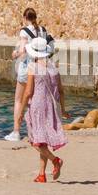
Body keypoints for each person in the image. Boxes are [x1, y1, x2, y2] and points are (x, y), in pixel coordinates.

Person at [23, 34, 68, 182]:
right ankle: (41, 175)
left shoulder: (33, 67)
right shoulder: (53, 68)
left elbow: (28, 91)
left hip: (37, 106)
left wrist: (21, 107)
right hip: (51, 107)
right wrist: (63, 109)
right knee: (42, 140)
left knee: (35, 141)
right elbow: (61, 90)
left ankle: (56, 161)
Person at [4, 7, 51, 142]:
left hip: (27, 68)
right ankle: (37, 131)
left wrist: (14, 54)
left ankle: (16, 132)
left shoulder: (24, 31)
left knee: (19, 100)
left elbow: (22, 51)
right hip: (41, 68)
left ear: (25, 18)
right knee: (34, 100)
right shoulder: (43, 30)